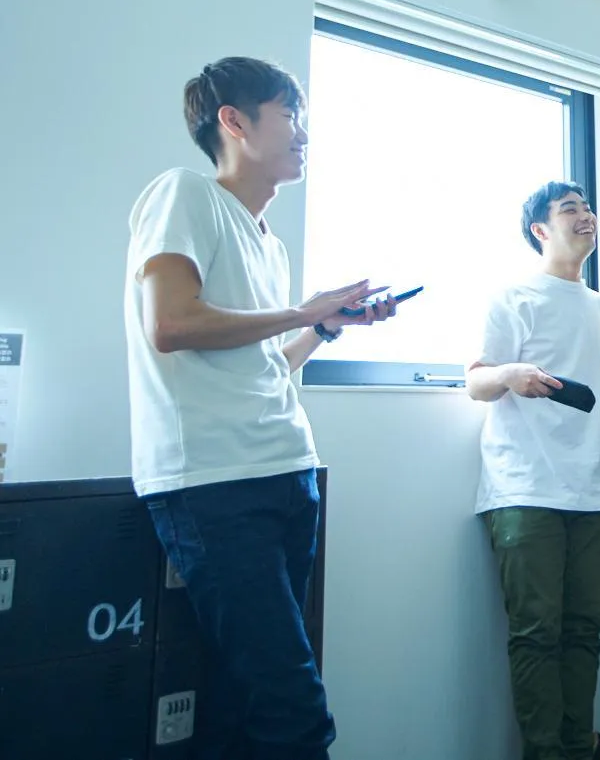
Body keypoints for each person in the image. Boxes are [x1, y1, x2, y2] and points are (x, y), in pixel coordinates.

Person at [125, 56, 403, 759]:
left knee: (248, 705)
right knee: (295, 710)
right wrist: (299, 310)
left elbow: (263, 366)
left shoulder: (268, 243)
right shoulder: (184, 192)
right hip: (216, 485)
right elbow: (173, 322)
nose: (304, 131)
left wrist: (325, 326)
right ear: (235, 122)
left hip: (286, 473)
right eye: (290, 115)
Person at [465, 181, 600, 760]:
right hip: (525, 488)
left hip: (593, 489)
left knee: (584, 630)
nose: (586, 215)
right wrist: (510, 374)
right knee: (536, 633)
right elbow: (475, 379)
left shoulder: (598, 305)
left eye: (588, 207)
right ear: (541, 231)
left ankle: (579, 747)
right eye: (569, 209)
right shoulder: (512, 297)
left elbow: (598, 373)